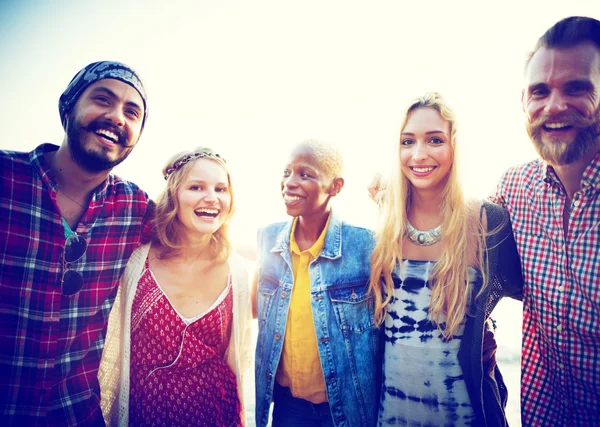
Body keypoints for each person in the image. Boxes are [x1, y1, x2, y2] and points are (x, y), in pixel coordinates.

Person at [0, 61, 152, 425]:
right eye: (103, 99)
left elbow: (190, 244)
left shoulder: (136, 208)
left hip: (77, 414)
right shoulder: (7, 180)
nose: (118, 118)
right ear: (68, 105)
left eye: (132, 112)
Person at [369, 93, 522, 426]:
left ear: (455, 146)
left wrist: (484, 330)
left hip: (467, 415)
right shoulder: (385, 222)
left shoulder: (487, 221)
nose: (418, 154)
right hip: (391, 415)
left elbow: (535, 290)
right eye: (407, 141)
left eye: (435, 140)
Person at [490, 16, 600, 425]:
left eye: (577, 88)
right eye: (540, 92)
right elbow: (462, 245)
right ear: (523, 102)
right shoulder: (514, 188)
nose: (554, 106)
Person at [98, 147, 252, 426]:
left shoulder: (237, 271)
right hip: (145, 413)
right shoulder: (136, 261)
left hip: (216, 413)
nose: (211, 198)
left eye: (221, 189)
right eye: (196, 187)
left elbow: (238, 355)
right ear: (173, 196)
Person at [252, 140, 381, 427]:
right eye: (287, 172)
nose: (290, 182)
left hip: (348, 409)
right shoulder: (268, 239)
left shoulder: (365, 245)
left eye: (305, 174)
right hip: (289, 408)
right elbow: (249, 307)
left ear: (335, 187)